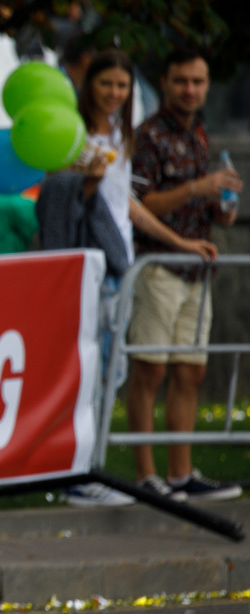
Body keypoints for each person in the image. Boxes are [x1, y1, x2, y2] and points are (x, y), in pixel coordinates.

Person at [53, 48, 219, 508]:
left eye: (122, 86)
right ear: (90, 85)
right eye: (106, 84)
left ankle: (96, 470)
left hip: (119, 267)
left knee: (111, 372)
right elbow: (65, 199)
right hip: (89, 267)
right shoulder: (77, 132)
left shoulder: (120, 134)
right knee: (95, 373)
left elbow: (128, 207)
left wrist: (181, 242)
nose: (114, 93)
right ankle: (80, 475)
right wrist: (85, 179)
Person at [126, 48, 243, 503]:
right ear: (165, 82)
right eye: (181, 81)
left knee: (190, 373)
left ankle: (180, 475)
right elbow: (140, 204)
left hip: (198, 270)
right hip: (158, 267)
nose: (190, 90)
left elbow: (199, 202)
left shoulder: (199, 134)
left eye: (198, 81)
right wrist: (197, 188)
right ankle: (144, 475)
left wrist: (220, 206)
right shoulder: (147, 135)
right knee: (150, 370)